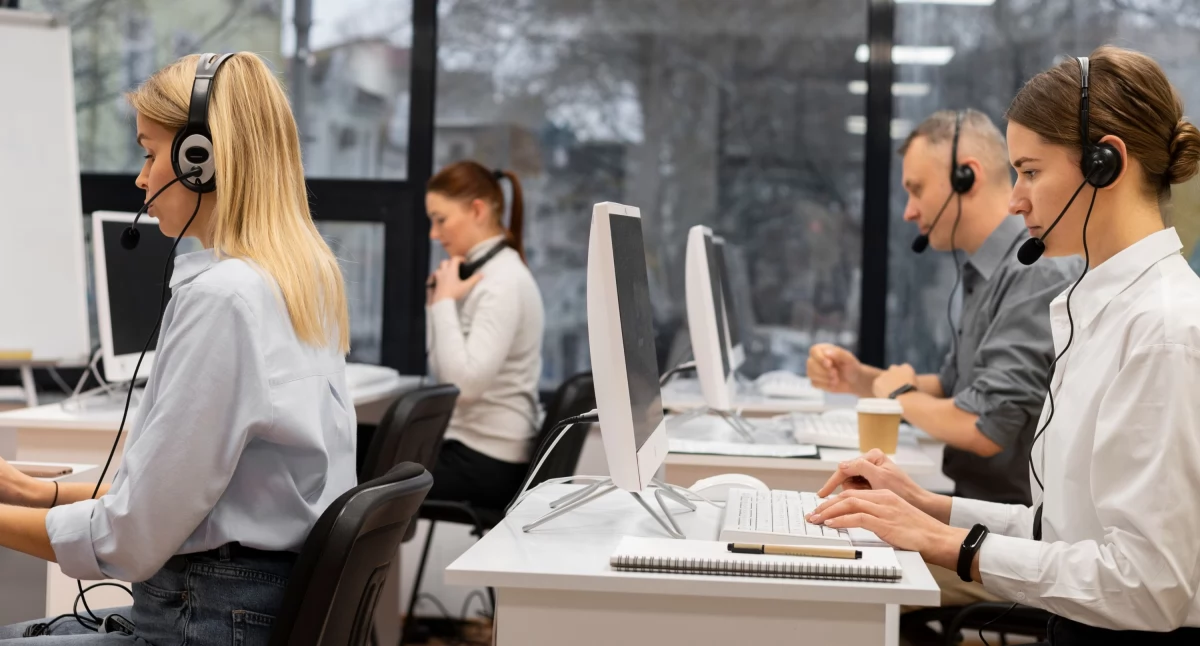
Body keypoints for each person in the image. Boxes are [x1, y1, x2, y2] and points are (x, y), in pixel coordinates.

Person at [809, 46, 1200, 644]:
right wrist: (926, 505)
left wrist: (946, 544)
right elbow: (1062, 530)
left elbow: (1148, 585)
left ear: (1105, 163)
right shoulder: (1102, 310)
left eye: (1032, 171)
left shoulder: (1163, 332)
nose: (1016, 199)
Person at [0, 52, 355, 644]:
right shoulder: (300, 278)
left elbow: (133, 536)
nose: (141, 178)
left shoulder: (226, 298)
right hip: (242, 611)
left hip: (205, 622)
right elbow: (186, 497)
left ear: (201, 159)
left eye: (148, 151)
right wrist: (27, 492)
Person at [809, 114, 1079, 500]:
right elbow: (954, 389)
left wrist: (898, 395)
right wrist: (859, 379)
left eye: (916, 190)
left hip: (1009, 525)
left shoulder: (1032, 270)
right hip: (973, 503)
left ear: (965, 177)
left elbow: (983, 425)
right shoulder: (987, 271)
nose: (909, 211)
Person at [424, 161, 545, 510]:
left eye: (440, 219)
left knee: (363, 472)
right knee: (374, 456)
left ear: (477, 210)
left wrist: (444, 304)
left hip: (487, 463)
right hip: (477, 453)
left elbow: (463, 387)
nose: (434, 233)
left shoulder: (501, 283)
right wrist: (438, 303)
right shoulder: (489, 276)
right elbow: (445, 374)